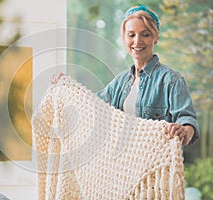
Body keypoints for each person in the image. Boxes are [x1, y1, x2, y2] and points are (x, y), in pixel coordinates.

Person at [53, 4, 200, 145]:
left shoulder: (172, 81)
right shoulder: (119, 82)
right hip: (122, 167)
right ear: (125, 39)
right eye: (131, 35)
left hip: (156, 166)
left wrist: (185, 131)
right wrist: (68, 88)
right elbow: (92, 105)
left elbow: (187, 120)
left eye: (145, 34)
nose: (138, 41)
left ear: (155, 38)